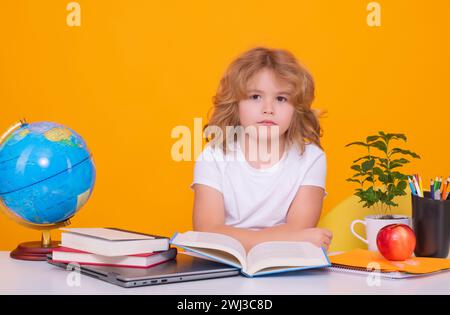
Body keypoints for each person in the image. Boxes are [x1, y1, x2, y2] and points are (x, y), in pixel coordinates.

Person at [190, 47, 332, 252]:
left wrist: (235, 237)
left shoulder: (311, 158)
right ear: (236, 104)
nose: (268, 108)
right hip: (224, 264)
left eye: (281, 99)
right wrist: (292, 239)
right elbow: (207, 231)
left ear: (296, 109)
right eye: (255, 96)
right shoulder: (213, 156)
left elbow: (299, 227)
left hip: (284, 267)